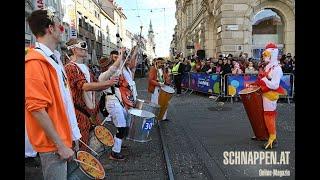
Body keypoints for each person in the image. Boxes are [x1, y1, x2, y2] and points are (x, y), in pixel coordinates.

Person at [25, 8, 81, 179]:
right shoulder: (34, 63)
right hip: (54, 145)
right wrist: (60, 145)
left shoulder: (54, 59)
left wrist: (74, 134)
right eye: (61, 27)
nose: (62, 30)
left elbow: (64, 102)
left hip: (65, 139)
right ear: (50, 28)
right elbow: (36, 109)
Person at [64, 38, 118, 151]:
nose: (85, 48)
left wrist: (107, 83)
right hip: (79, 113)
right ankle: (79, 168)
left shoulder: (86, 68)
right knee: (82, 146)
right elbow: (84, 86)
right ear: (74, 49)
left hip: (91, 113)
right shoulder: (70, 67)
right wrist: (107, 83)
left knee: (93, 144)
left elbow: (96, 85)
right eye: (82, 45)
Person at [251, 43, 285, 149]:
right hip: (265, 94)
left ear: (272, 55)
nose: (264, 57)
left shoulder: (277, 69)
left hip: (270, 95)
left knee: (269, 116)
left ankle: (272, 138)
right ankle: (264, 135)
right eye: (264, 55)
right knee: (264, 115)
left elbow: (275, 85)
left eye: (266, 55)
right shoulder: (269, 67)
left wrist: (264, 80)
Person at [98, 48, 130, 160]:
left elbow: (121, 66)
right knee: (121, 127)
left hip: (117, 102)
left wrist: (125, 55)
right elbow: (113, 69)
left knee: (124, 126)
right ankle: (115, 153)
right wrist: (120, 55)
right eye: (110, 64)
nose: (113, 65)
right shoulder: (103, 76)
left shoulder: (112, 73)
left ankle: (118, 143)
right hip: (112, 103)